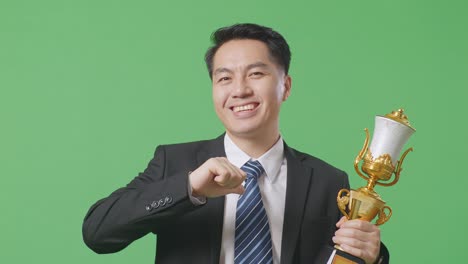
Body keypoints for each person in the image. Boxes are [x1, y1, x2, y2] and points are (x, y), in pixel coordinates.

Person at [82, 23, 389, 264]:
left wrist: (373, 257)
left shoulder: (328, 181)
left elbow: (345, 257)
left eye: (256, 73)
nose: (240, 90)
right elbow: (98, 232)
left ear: (286, 86)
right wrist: (190, 189)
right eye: (224, 78)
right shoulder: (175, 163)